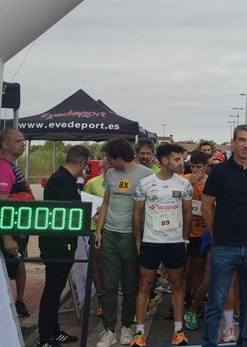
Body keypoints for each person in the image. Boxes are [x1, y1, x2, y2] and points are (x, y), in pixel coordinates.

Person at [201, 125, 247, 347]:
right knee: (216, 303)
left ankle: (245, 342)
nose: (246, 145)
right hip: (224, 246)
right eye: (242, 140)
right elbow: (206, 206)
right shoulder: (219, 171)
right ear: (233, 142)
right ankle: (209, 343)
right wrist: (215, 234)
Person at [130, 144, 192, 347]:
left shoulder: (184, 184)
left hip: (174, 242)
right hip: (151, 242)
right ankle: (139, 333)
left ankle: (178, 331)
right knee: (145, 285)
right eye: (176, 159)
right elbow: (137, 213)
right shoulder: (145, 183)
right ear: (164, 161)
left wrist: (185, 239)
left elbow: (187, 213)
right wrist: (138, 239)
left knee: (176, 284)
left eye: (181, 159)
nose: (181, 162)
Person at [95, 138, 155, 347]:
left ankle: (127, 327)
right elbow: (105, 202)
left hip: (133, 236)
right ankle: (109, 329)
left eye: (111, 159)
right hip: (110, 234)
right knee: (109, 284)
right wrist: (100, 230)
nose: (108, 163)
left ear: (120, 157)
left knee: (131, 284)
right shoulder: (110, 174)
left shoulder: (147, 176)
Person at [37, 145, 90, 347]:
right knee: (52, 290)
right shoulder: (62, 181)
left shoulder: (62, 178)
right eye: (85, 166)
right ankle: (45, 337)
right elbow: (72, 212)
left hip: (60, 242)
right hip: (57, 244)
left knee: (56, 289)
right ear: (82, 163)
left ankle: (53, 330)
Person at [0, 128, 33, 317]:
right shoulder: (2, 168)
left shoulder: (12, 166)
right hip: (10, 234)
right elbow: (2, 205)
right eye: (18, 141)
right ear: (4, 145)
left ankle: (18, 302)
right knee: (6, 271)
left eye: (23, 140)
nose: (23, 144)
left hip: (20, 231)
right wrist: (7, 237)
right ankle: (6, 310)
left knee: (19, 265)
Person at [183, 151, 212, 331]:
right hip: (189, 230)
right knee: (191, 266)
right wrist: (189, 185)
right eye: (193, 167)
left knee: (202, 267)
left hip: (206, 231)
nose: (195, 171)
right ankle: (190, 297)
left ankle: (198, 300)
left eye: (199, 167)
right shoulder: (185, 180)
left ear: (205, 167)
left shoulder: (210, 182)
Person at [84, 159, 108, 317]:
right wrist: (94, 214)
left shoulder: (123, 182)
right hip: (96, 230)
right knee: (97, 266)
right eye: (108, 166)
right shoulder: (93, 183)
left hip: (115, 229)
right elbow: (85, 206)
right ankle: (101, 299)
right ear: (102, 167)